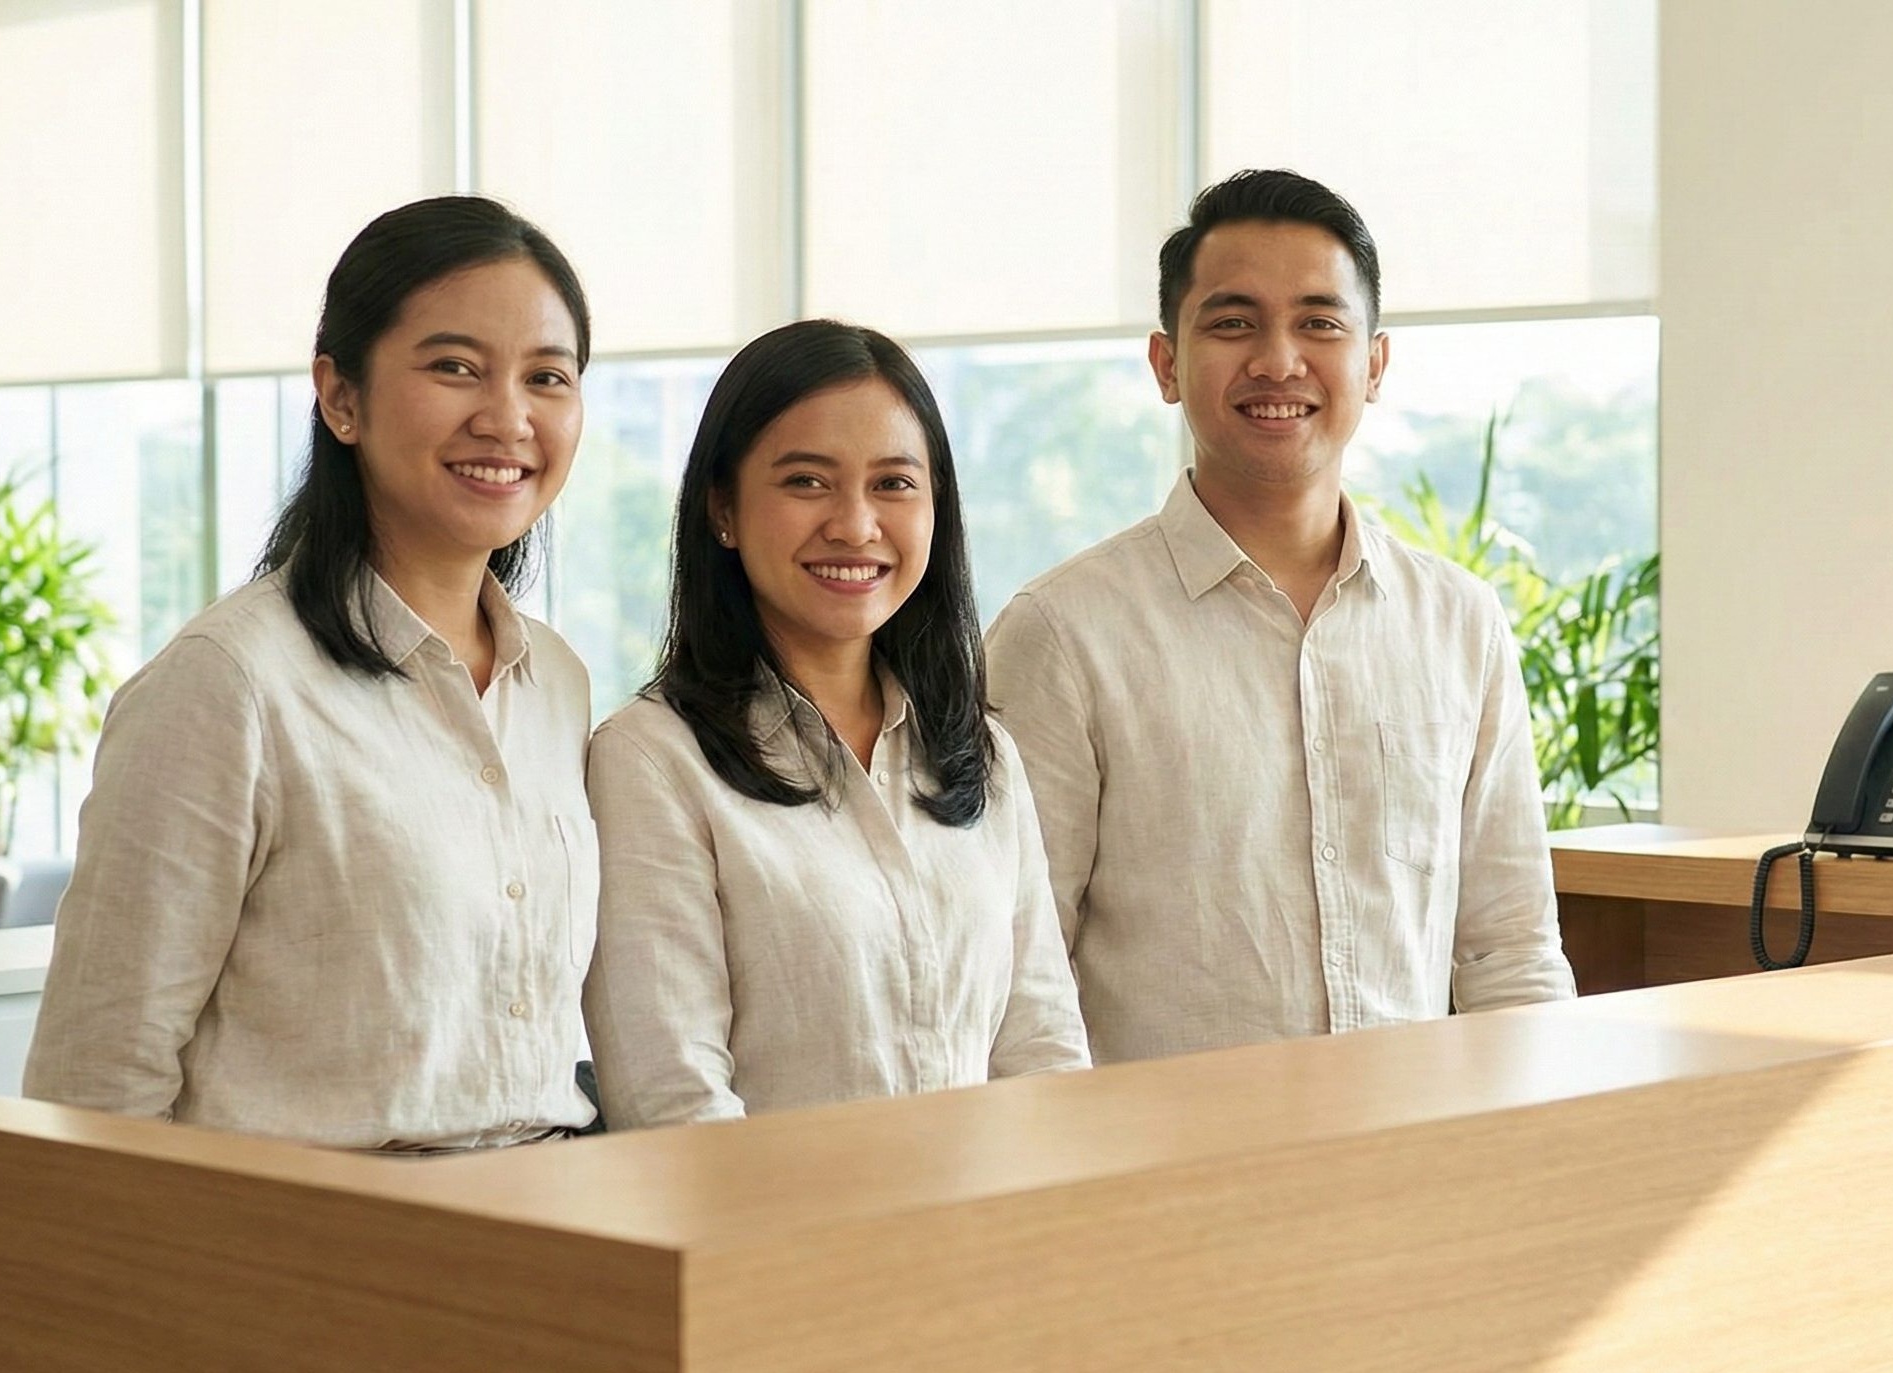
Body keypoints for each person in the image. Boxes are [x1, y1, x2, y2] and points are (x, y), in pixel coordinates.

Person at [23, 196, 601, 1151]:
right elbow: (96, 1079)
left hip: (549, 1213)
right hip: (310, 1231)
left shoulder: (559, 685)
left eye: (547, 377)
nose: (507, 417)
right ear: (341, 398)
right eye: (454, 367)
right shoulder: (228, 684)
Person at [984, 169, 1575, 1064]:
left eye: (1319, 323)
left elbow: (1510, 946)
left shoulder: (1459, 622)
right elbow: (1021, 977)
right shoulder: (1062, 633)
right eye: (1232, 323)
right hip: (1167, 1147)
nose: (1277, 362)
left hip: (1412, 1136)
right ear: (1167, 364)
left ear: (1373, 365)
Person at [583, 320, 1087, 1128]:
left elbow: (1043, 1048)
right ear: (723, 508)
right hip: (767, 1210)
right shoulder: (650, 760)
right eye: (807, 481)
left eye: (893, 483)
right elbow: (671, 1095)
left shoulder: (981, 752)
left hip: (986, 1208)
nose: (855, 525)